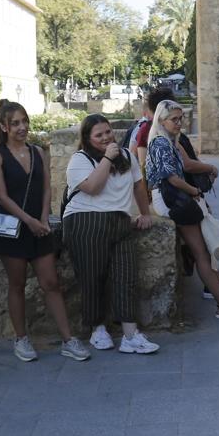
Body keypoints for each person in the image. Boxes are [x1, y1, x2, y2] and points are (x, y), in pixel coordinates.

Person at [0, 101, 89, 362]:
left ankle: (68, 339)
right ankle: (21, 339)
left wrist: (42, 218)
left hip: (38, 226)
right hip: (12, 228)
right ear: (4, 126)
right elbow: (3, 197)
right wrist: (28, 221)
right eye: (16, 123)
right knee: (17, 284)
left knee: (51, 282)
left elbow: (46, 189)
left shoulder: (37, 152)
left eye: (24, 121)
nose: (22, 127)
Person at [148, 100, 219, 320]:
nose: (179, 123)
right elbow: (173, 178)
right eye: (174, 119)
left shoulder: (168, 141)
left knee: (204, 253)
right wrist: (195, 191)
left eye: (180, 118)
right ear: (161, 121)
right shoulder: (160, 143)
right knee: (201, 254)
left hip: (175, 197)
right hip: (172, 199)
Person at [63, 114, 159, 354]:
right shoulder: (80, 160)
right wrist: (107, 158)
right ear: (87, 138)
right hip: (86, 219)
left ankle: (130, 334)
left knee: (126, 276)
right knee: (92, 276)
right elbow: (93, 188)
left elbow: (138, 184)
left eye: (108, 132)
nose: (106, 137)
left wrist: (145, 213)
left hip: (120, 220)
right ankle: (97, 328)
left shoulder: (126, 156)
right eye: (99, 135)